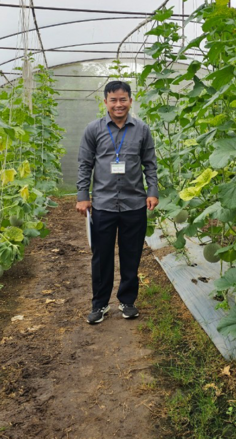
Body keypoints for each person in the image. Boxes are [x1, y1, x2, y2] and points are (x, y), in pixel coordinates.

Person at [76, 80, 159, 325]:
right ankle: (99, 305)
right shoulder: (94, 129)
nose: (119, 104)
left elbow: (150, 164)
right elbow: (84, 165)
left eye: (123, 99)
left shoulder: (142, 129)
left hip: (134, 204)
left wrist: (152, 191)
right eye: (113, 100)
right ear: (106, 102)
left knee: (131, 254)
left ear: (130, 101)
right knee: (101, 257)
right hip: (102, 204)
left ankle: (127, 301)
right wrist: (83, 196)